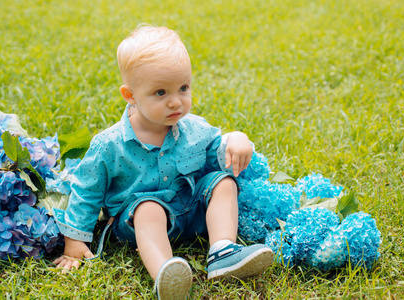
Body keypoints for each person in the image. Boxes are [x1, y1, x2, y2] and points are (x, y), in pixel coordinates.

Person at [53, 25, 273, 299]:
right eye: (161, 93)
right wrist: (75, 241)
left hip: (188, 210)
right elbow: (87, 191)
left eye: (183, 88)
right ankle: (165, 273)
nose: (175, 102)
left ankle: (222, 251)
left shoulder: (193, 128)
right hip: (137, 223)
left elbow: (218, 149)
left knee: (223, 182)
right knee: (148, 207)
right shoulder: (109, 145)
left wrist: (237, 138)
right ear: (130, 95)